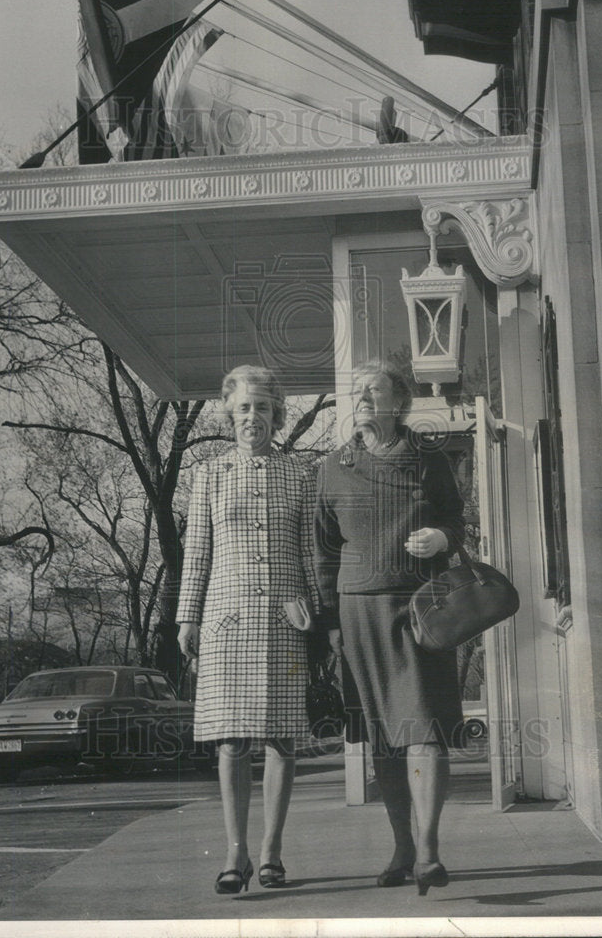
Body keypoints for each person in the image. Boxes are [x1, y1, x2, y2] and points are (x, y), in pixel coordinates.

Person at [313, 360, 465, 897]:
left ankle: (428, 850)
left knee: (424, 727)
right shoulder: (333, 467)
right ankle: (402, 846)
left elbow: (455, 519)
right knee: (383, 735)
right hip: (359, 614)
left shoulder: (428, 457)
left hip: (420, 609)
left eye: (372, 390)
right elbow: (324, 551)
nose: (361, 397)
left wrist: (441, 539)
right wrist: (329, 622)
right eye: (355, 390)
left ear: (398, 401)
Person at [177, 364, 319, 895]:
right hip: (226, 621)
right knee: (231, 740)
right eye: (243, 407)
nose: (252, 416)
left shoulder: (300, 474)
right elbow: (197, 552)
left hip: (285, 620)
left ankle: (271, 851)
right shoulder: (208, 474)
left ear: (276, 415)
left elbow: (310, 552)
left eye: (262, 407)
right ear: (229, 414)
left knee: (283, 738)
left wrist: (320, 616)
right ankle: (234, 852)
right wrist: (187, 617)